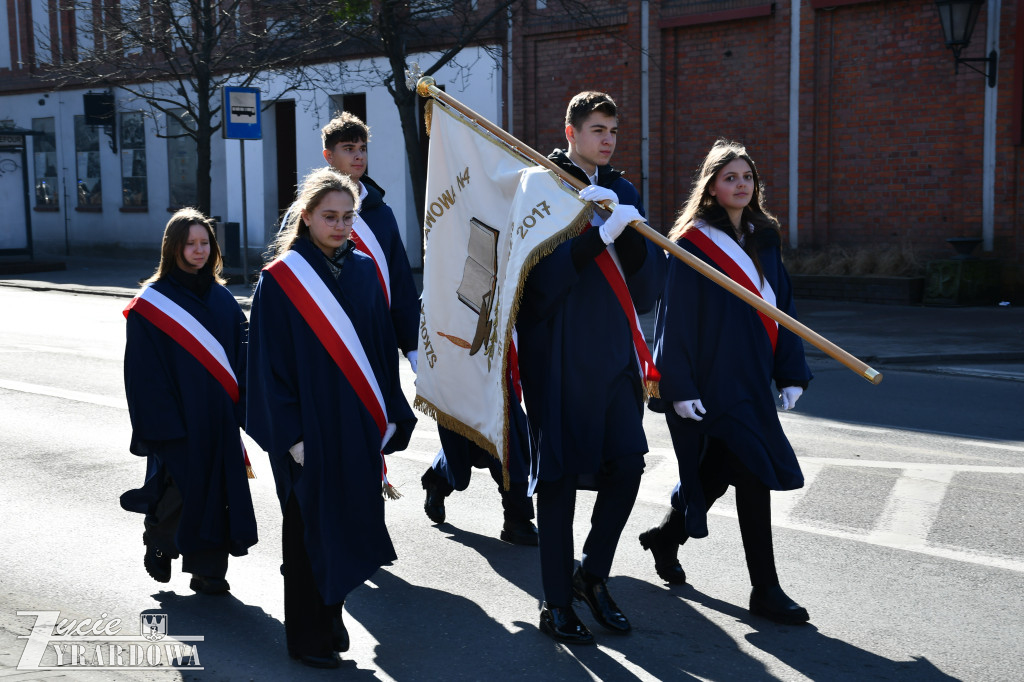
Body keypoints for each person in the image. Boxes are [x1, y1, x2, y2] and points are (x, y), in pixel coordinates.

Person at [247, 167, 416, 668]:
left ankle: (333, 620)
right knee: (306, 534)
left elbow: (381, 352)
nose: (340, 225)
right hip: (308, 433)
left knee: (347, 525)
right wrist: (292, 437)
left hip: (356, 426)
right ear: (307, 217)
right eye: (330, 217)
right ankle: (306, 636)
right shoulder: (281, 281)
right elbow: (265, 367)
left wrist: (388, 414)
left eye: (347, 217)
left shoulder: (364, 271)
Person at [639, 139, 813, 625]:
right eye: (730, 178)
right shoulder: (693, 243)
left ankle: (664, 537)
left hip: (754, 373)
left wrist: (791, 370)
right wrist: (681, 385)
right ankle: (766, 590)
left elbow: (784, 307)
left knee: (718, 472)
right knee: (753, 472)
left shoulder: (765, 235)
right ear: (712, 188)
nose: (740, 185)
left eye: (747, 177)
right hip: (714, 378)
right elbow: (676, 318)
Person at [515, 91, 665, 645]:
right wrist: (591, 237)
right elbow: (533, 290)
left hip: (612, 357)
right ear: (571, 130)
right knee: (556, 483)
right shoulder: (542, 187)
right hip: (556, 357)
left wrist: (630, 240)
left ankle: (591, 575)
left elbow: (647, 291)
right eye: (597, 129)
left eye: (613, 130)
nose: (607, 139)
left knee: (627, 465)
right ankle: (555, 603)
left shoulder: (621, 189)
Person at [121, 208, 257, 595]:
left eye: (204, 243)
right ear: (173, 248)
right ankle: (159, 539)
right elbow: (143, 372)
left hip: (219, 415)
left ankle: (208, 571)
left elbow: (242, 354)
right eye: (190, 244)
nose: (199, 251)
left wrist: (244, 405)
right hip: (176, 417)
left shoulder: (221, 298)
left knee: (221, 490)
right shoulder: (153, 303)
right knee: (183, 487)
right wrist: (160, 423)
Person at [280, 112, 420, 371]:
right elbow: (289, 273)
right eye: (348, 148)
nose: (359, 156)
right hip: (324, 333)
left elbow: (399, 280)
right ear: (328, 156)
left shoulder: (381, 212)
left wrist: (412, 344)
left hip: (377, 333)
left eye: (362, 148)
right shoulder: (305, 210)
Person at [420, 345, 537, 546]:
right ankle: (517, 518)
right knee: (480, 439)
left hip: (502, 353)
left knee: (499, 439)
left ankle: (516, 518)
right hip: (463, 354)